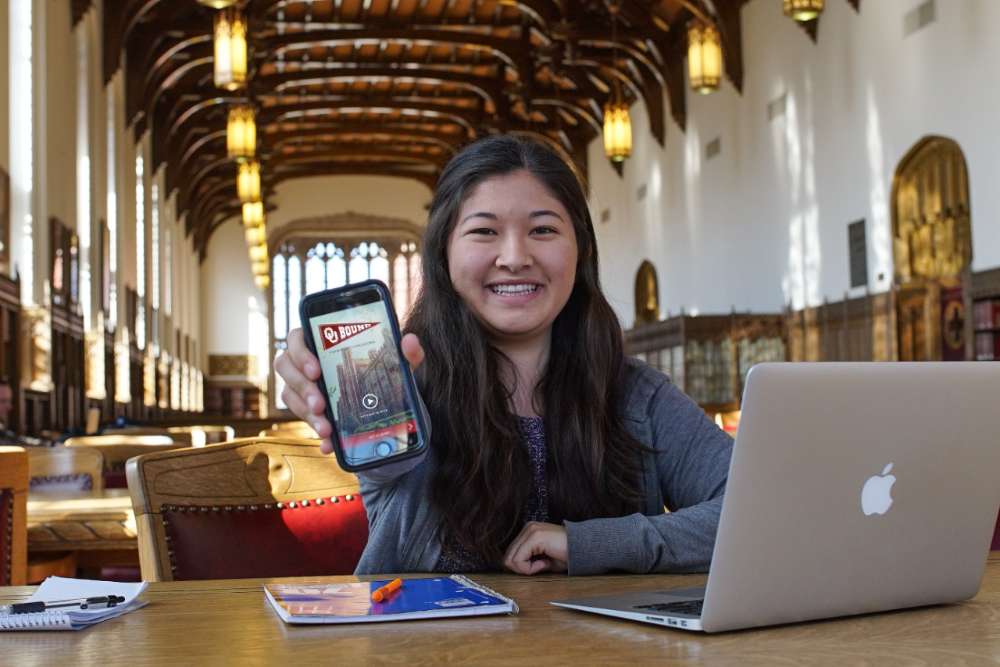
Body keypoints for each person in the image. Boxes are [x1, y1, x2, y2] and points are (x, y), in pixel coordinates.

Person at [275, 135, 733, 576]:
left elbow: (762, 510)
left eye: (543, 229)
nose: (514, 257)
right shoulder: (405, 387)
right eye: (484, 231)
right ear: (443, 255)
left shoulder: (638, 396)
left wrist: (587, 544)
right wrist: (326, 384)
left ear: (581, 251)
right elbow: (387, 465)